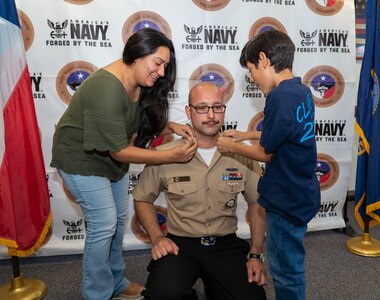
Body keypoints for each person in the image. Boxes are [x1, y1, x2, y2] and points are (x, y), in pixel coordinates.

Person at [51, 28, 197, 300]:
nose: (162, 72)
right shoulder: (106, 87)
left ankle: (116, 282)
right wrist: (169, 155)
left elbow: (130, 121)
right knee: (104, 223)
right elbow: (120, 150)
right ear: (138, 54)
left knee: (117, 222)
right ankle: (97, 293)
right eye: (158, 63)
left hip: (107, 159)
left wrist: (170, 125)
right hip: (79, 160)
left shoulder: (139, 81)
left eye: (165, 65)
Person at [133, 82, 267, 300]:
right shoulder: (165, 155)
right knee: (163, 295)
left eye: (217, 107)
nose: (211, 115)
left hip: (225, 244)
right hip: (181, 244)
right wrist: (157, 238)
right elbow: (142, 198)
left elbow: (256, 204)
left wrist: (255, 255)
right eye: (202, 108)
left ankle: (215, 287)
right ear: (189, 111)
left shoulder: (242, 154)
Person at [217, 29, 321, 300]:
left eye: (251, 69)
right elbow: (284, 135)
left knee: (286, 271)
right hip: (302, 192)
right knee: (291, 264)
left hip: (285, 199)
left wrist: (231, 146)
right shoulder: (300, 91)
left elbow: (266, 153)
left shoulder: (278, 97)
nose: (251, 77)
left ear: (264, 59)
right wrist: (246, 135)